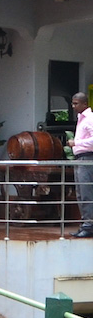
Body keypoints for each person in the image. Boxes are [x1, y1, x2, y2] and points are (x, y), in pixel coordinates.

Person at [71, 91, 93, 238]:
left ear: (85, 104)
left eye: (76, 103)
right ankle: (85, 223)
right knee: (80, 193)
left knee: (86, 193)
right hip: (80, 158)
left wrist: (76, 143)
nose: (73, 106)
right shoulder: (81, 119)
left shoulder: (89, 118)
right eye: (72, 103)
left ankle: (89, 225)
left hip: (87, 158)